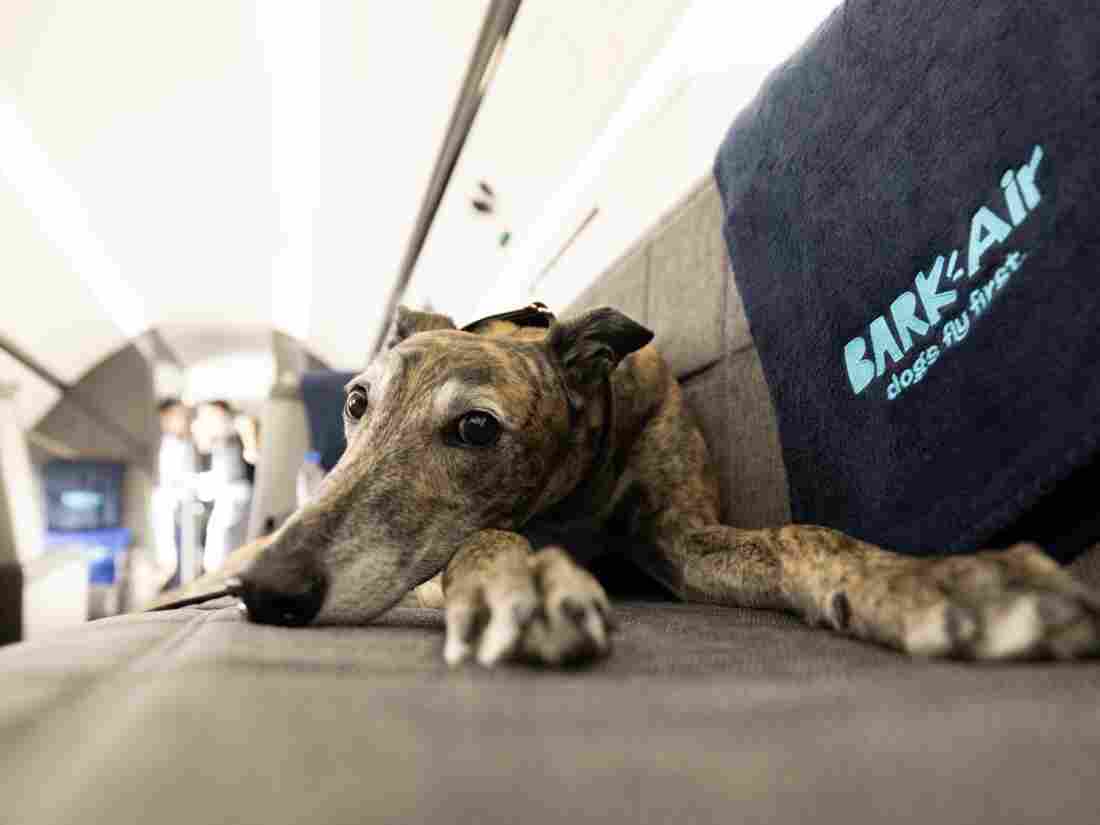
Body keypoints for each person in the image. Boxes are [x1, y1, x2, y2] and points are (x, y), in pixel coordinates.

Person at [191, 400, 253, 574]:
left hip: (236, 494)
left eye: (208, 415)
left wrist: (250, 447)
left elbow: (245, 424)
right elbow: (203, 445)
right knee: (215, 554)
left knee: (222, 551)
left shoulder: (235, 426)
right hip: (225, 496)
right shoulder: (216, 437)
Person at [152, 399, 199, 588]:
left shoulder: (185, 443)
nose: (185, 420)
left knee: (185, 561)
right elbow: (175, 481)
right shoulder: (170, 446)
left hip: (184, 508)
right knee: (173, 561)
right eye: (178, 416)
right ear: (165, 419)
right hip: (174, 508)